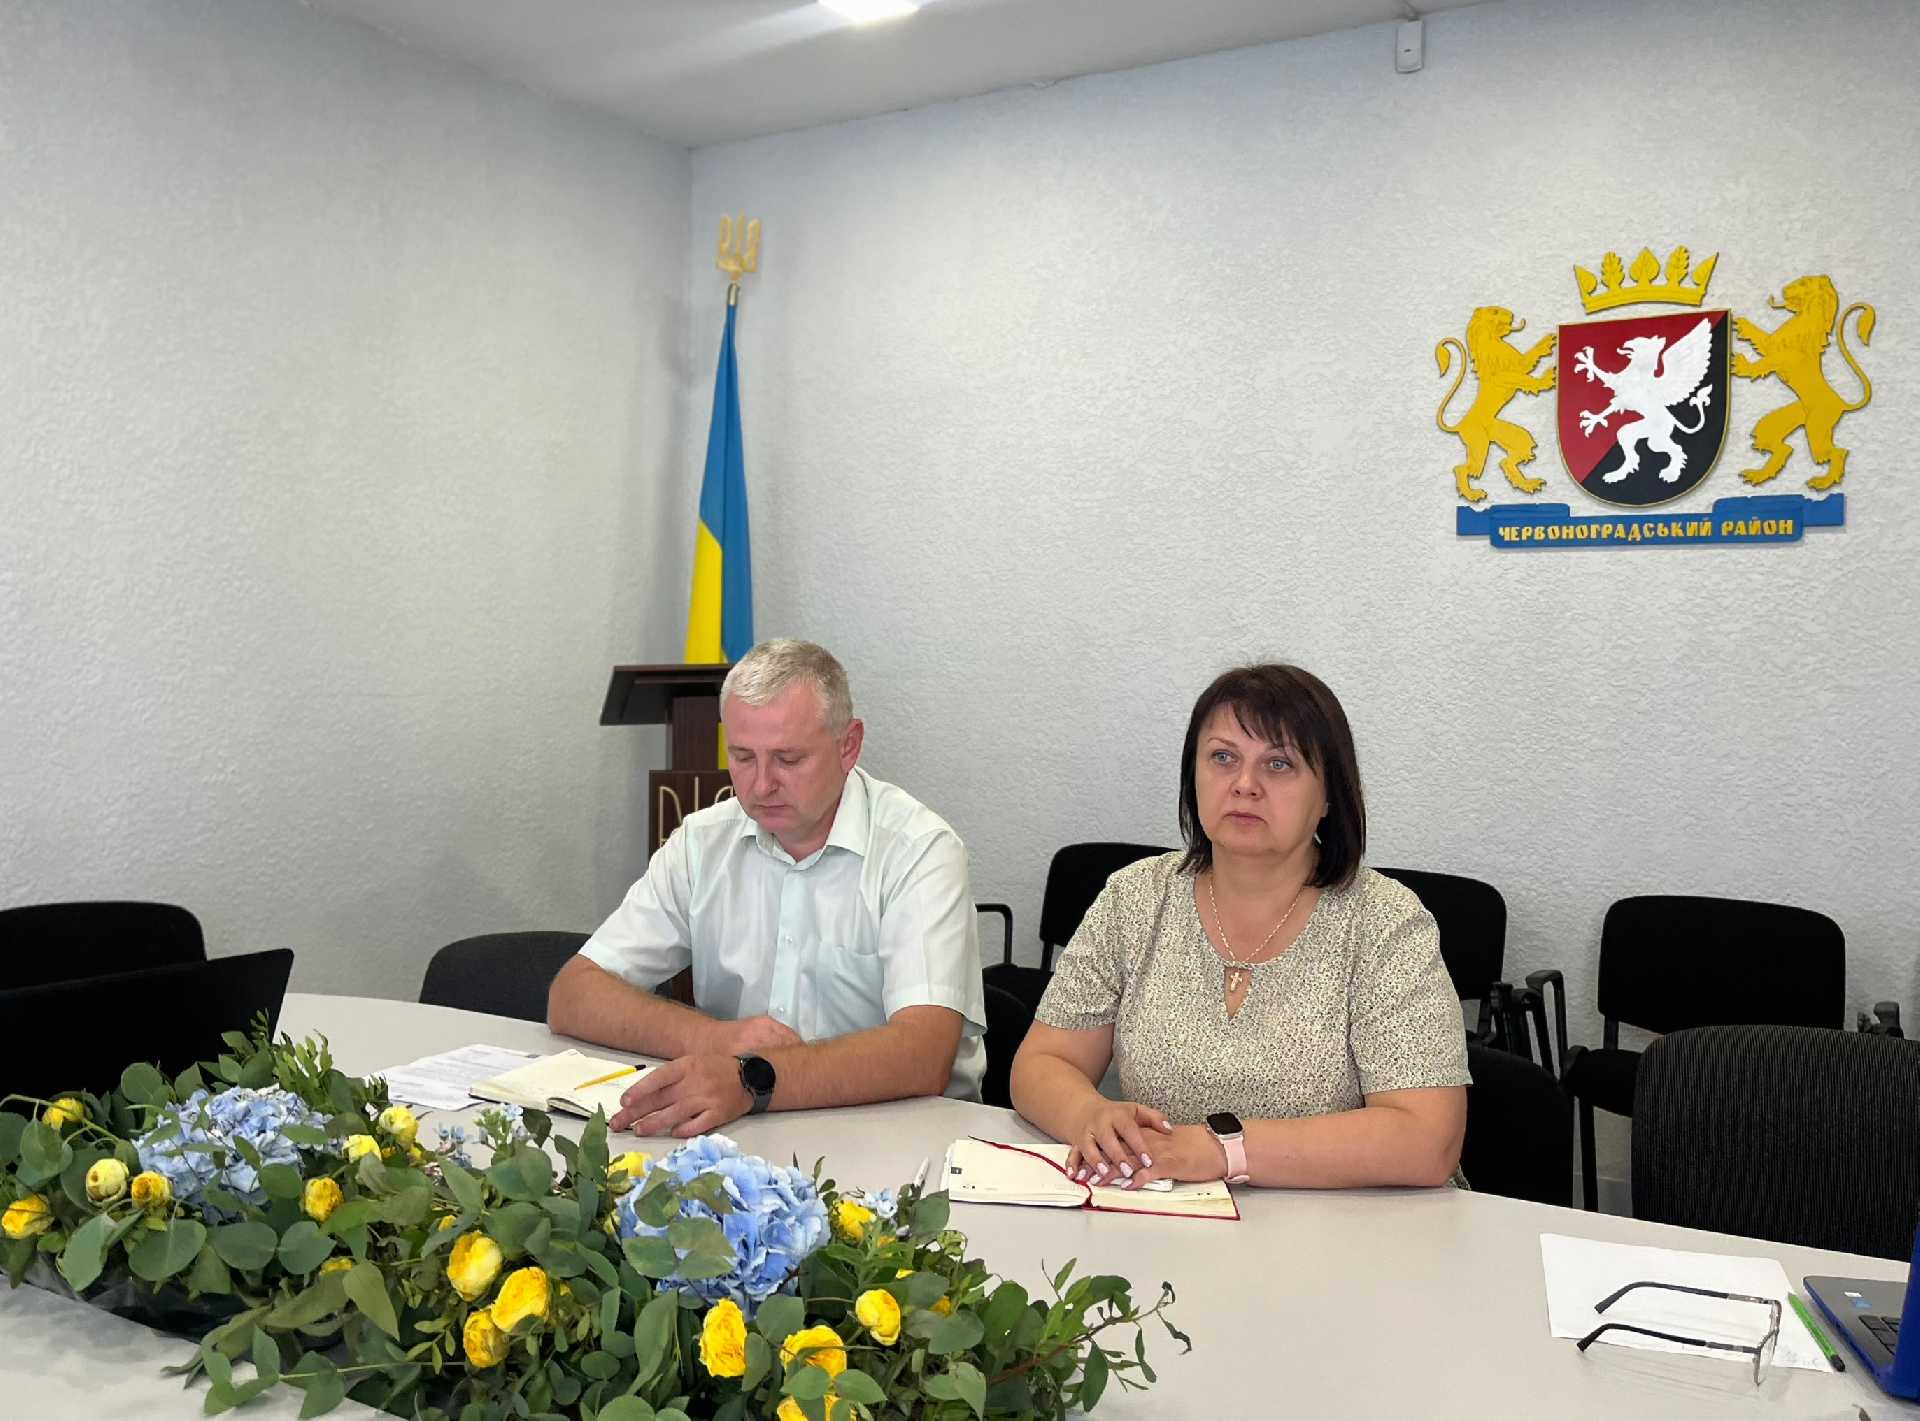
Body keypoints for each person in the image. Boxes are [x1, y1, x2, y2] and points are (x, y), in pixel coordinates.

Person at [1009, 663, 1468, 1190]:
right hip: (1169, 1206)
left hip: (1350, 1222)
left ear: (1329, 796)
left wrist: (1221, 1150)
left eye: (1279, 764)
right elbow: (1043, 1062)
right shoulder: (1137, 897)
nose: (1245, 785)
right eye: (1223, 758)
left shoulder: (1384, 922)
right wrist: (1089, 1115)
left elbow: (1426, 1139)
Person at [548, 639, 986, 1135]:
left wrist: (751, 1079)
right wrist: (717, 1040)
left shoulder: (919, 851)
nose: (760, 785)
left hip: (903, 1137)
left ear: (848, 745)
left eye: (788, 759)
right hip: (745, 1133)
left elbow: (922, 1054)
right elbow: (574, 994)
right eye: (742, 756)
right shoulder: (703, 842)